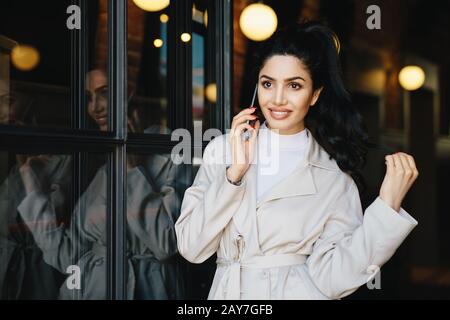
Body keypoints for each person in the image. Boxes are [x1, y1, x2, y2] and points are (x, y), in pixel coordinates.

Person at [175, 22, 419, 300]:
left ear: (315, 94)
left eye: (294, 85)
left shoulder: (332, 175)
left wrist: (387, 208)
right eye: (268, 84)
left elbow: (335, 279)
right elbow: (191, 247)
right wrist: (234, 176)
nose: (278, 99)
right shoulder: (223, 150)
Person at [15, 69, 186, 299]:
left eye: (104, 93)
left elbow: (164, 244)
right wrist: (34, 191)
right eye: (89, 97)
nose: (94, 107)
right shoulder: (103, 162)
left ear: (132, 93)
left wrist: (133, 171)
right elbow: (68, 257)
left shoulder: (171, 151)